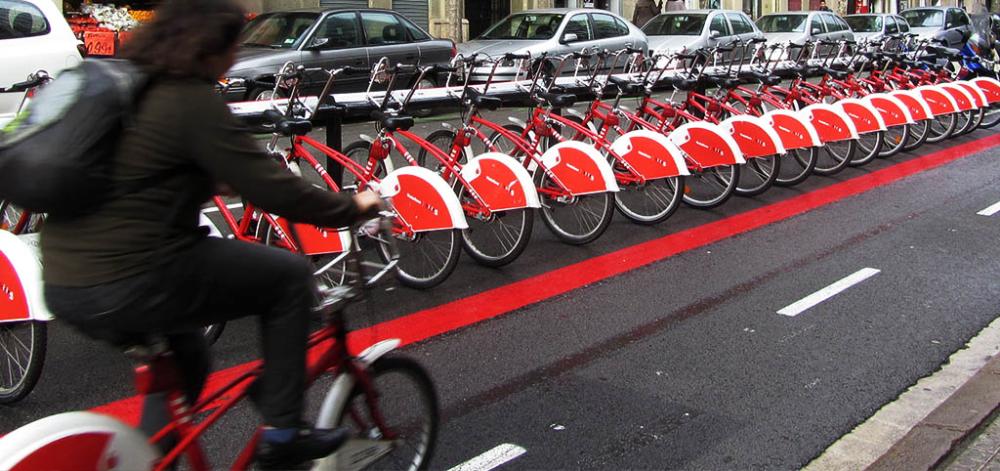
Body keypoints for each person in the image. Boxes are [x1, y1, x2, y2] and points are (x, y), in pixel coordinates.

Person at [39, 0, 381, 468]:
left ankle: (153, 460)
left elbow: (140, 169)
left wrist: (203, 176)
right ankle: (284, 430)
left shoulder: (130, 84)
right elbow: (277, 190)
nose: (235, 58)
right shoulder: (188, 98)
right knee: (288, 278)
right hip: (133, 273)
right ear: (209, 48)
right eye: (233, 47)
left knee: (188, 358)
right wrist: (351, 206)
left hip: (65, 277)